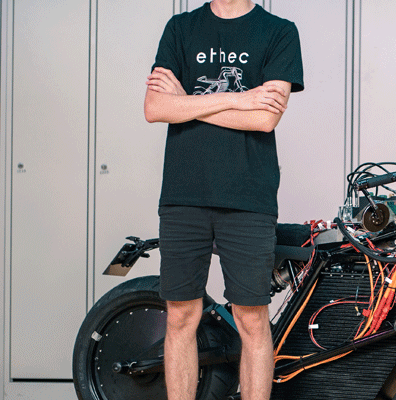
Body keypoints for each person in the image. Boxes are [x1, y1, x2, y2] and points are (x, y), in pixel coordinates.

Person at [143, 1, 303, 399]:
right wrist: (242, 98)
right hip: (184, 196)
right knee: (181, 316)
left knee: (252, 320)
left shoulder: (279, 31)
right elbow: (155, 107)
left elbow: (264, 119)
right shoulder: (180, 28)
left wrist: (186, 103)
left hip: (249, 198)